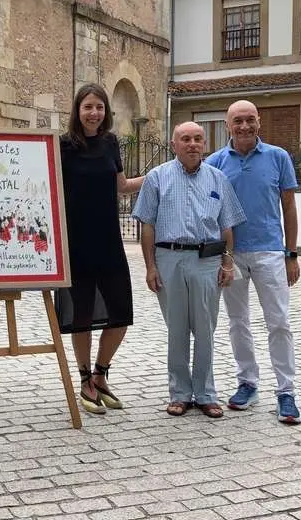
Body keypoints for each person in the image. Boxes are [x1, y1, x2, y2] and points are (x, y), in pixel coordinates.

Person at [132, 121, 245, 418]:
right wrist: (150, 267)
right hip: (169, 259)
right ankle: (180, 392)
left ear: (204, 143)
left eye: (197, 138)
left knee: (206, 328)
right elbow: (147, 225)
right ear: (174, 145)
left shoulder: (218, 179)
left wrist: (228, 261)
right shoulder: (157, 178)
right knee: (177, 329)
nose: (192, 144)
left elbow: (227, 225)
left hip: (207, 261)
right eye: (185, 139)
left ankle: (207, 394)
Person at [206, 100, 301, 424]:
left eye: (250, 120)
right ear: (227, 124)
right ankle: (247, 382)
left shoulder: (278, 157)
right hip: (232, 255)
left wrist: (292, 254)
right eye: (238, 121)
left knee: (279, 322)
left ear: (259, 121)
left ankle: (286, 391)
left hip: (270, 253)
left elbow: (289, 207)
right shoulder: (216, 162)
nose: (244, 126)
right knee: (238, 322)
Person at [58, 84, 144, 414]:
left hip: (109, 240)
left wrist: (157, 176)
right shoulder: (63, 146)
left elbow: (121, 186)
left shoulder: (110, 143)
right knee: (81, 316)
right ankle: (83, 380)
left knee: (121, 312)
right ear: (77, 111)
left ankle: (101, 373)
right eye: (88, 107)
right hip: (76, 243)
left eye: (100, 107)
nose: (94, 113)